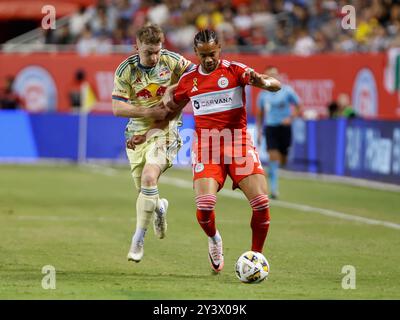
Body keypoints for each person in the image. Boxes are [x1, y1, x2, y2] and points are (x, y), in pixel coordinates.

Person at [128, 29, 281, 273]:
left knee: (261, 203)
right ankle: (214, 240)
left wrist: (262, 82)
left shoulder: (235, 71)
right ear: (196, 53)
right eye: (203, 55)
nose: (209, 59)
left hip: (238, 142)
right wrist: (146, 135)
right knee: (206, 205)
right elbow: (169, 113)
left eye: (212, 53)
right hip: (207, 145)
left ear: (220, 48)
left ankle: (255, 258)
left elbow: (275, 85)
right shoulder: (189, 81)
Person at [112, 24, 193, 263]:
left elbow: (197, 76)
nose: (155, 57)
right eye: (149, 52)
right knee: (144, 193)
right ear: (137, 47)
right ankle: (159, 207)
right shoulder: (125, 70)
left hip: (167, 130)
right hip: (136, 133)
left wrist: (174, 89)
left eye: (158, 50)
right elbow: (117, 108)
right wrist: (147, 112)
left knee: (149, 178)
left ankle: (138, 240)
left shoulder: (172, 61)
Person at [256, 66, 301, 199]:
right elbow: (260, 114)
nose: (273, 77)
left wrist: (291, 118)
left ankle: (272, 171)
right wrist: (259, 131)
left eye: (275, 74)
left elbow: (298, 106)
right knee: (273, 157)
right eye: (270, 75)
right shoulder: (263, 95)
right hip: (271, 128)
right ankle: (274, 190)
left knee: (283, 159)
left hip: (284, 128)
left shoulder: (287, 91)